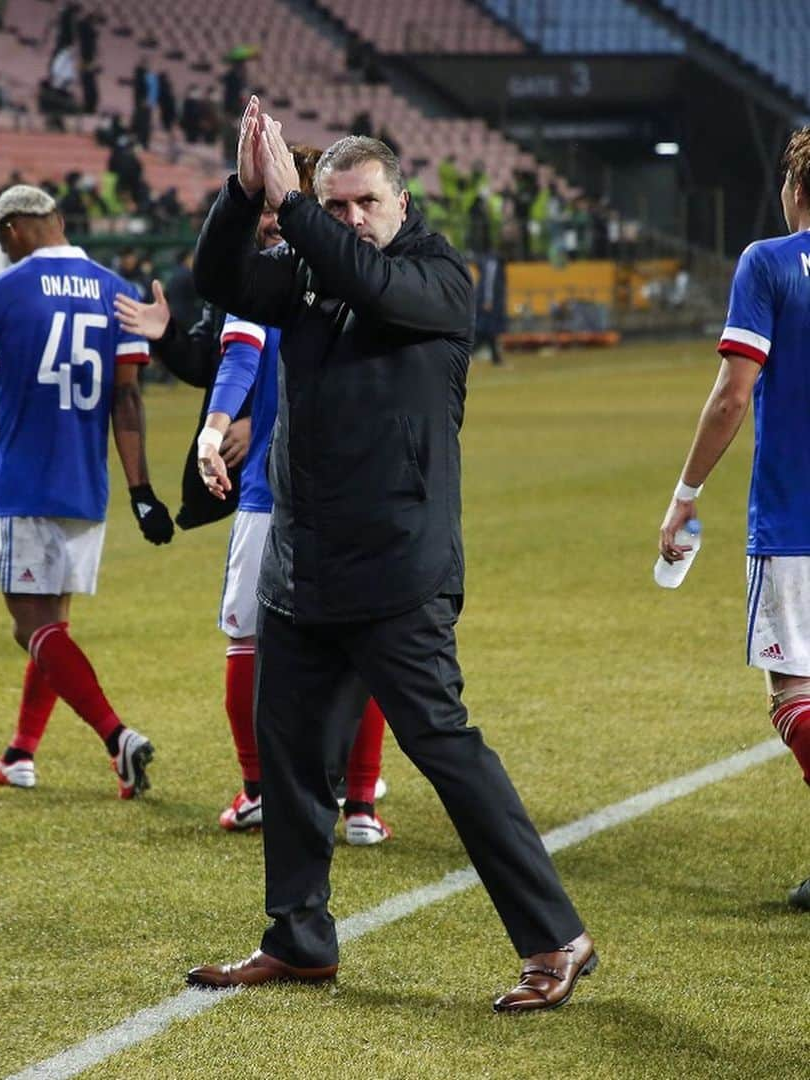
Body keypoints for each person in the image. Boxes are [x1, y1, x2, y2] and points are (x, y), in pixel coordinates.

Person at [184, 99, 595, 1011]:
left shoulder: (441, 278)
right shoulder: (305, 276)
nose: (350, 220)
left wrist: (294, 215)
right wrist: (243, 191)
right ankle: (298, 938)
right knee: (288, 755)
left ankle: (556, 939)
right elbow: (218, 277)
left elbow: (371, 286)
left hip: (400, 570)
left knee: (446, 752)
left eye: (363, 202)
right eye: (334, 207)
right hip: (305, 565)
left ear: (400, 202)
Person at [117, 149, 390, 841]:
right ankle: (356, 804)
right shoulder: (368, 277)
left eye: (278, 207)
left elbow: (240, 355)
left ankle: (268, 789)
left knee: (250, 641)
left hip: (277, 497)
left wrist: (217, 428)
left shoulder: (272, 282)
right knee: (363, 646)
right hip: (351, 496)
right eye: (264, 209)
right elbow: (232, 359)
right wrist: (216, 418)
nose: (268, 222)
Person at [0, 184, 174, 796]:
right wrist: (142, 490)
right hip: (87, 482)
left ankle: (117, 737)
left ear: (12, 231)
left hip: (26, 478)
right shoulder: (116, 290)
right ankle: (20, 752)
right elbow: (126, 398)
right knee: (56, 625)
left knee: (32, 627)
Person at [658, 127, 810, 912]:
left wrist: (686, 492)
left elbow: (731, 394)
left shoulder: (771, 263)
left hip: (795, 519)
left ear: (794, 185)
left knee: (794, 696)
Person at [474, 249, 507, 367]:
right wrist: (488, 300)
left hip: (489, 301)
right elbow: (489, 282)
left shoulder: (490, 262)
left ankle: (496, 358)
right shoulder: (492, 263)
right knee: (484, 330)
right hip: (488, 302)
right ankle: (467, 353)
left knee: (490, 331)